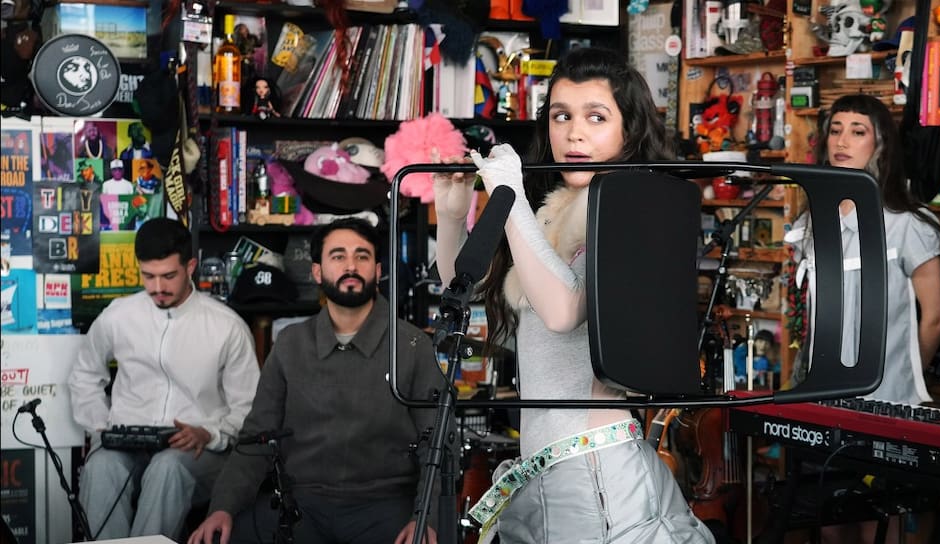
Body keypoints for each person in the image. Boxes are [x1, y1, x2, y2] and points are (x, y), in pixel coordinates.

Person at [433, 47, 714, 543]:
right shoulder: (558, 211)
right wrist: (454, 214)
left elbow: (564, 311)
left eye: (596, 117)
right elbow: (462, 282)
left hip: (593, 466)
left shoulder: (629, 209)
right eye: (561, 115)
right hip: (546, 466)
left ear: (628, 131)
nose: (574, 133)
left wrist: (512, 198)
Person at [188, 218, 443, 544]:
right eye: (338, 256)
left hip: (385, 504)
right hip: (300, 504)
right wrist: (221, 508)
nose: (351, 265)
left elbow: (436, 446)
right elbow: (255, 441)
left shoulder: (411, 346)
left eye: (362, 256)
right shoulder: (291, 344)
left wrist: (425, 519)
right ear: (318, 272)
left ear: (378, 271)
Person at [784, 94, 940, 544]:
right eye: (836, 130)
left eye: (858, 131)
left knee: (891, 516)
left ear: (880, 145)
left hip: (890, 402)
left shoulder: (906, 223)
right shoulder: (812, 222)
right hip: (825, 400)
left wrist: (901, 378)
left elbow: (934, 318)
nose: (843, 140)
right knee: (832, 517)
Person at [68, 218, 260, 539]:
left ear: (191, 267)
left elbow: (249, 408)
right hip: (127, 440)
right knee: (101, 467)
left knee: (167, 469)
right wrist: (101, 427)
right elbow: (84, 374)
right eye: (149, 276)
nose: (158, 288)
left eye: (169, 276)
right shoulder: (119, 315)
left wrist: (209, 433)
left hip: (198, 449)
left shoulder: (227, 326)